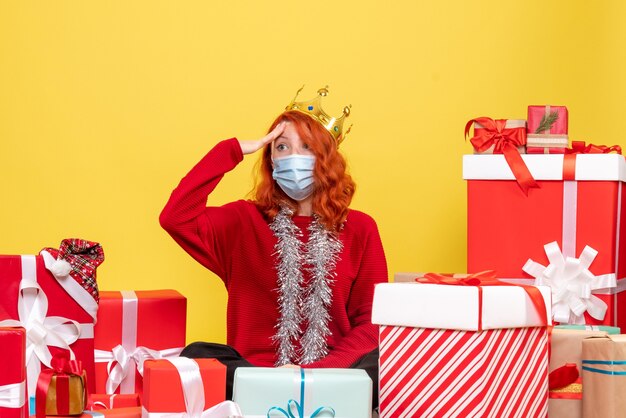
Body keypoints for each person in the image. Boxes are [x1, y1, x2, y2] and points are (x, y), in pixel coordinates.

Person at [159, 87, 388, 406]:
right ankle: (276, 390)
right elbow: (175, 218)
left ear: (326, 159)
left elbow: (370, 321)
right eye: (282, 146)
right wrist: (235, 150)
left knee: (387, 361)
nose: (293, 157)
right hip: (256, 376)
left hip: (333, 377)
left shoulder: (362, 228)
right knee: (196, 357)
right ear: (270, 158)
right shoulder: (242, 221)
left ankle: (308, 390)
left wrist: (315, 373)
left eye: (306, 147)